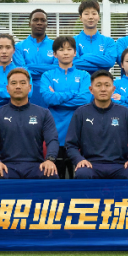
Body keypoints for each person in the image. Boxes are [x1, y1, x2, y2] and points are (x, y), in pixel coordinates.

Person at [66, 71, 128, 180]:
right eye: (98, 85)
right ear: (91, 90)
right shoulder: (81, 113)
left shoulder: (125, 113)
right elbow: (71, 145)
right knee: (82, 174)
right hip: (91, 165)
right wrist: (79, 160)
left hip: (120, 165)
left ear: (113, 89)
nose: (103, 89)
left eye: (107, 85)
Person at [0, 68, 59, 179]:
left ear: (30, 88)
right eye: (14, 83)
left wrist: (50, 160)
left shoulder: (44, 113)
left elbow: (52, 139)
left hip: (36, 165)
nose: (18, 86)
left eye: (23, 83)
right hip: (6, 166)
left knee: (51, 174)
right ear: (7, 88)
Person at [40, 35, 92, 177]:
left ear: (75, 53)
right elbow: (48, 98)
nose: (66, 53)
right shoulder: (47, 76)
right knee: (57, 179)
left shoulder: (84, 75)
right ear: (55, 54)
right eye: (61, 50)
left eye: (69, 49)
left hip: (80, 136)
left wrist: (57, 97)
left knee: (80, 179)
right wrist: (74, 93)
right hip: (55, 135)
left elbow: (85, 99)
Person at [16, 8, 56, 104]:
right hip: (27, 93)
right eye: (35, 20)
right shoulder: (19, 46)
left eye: (43, 20)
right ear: (29, 23)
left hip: (49, 91)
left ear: (47, 24)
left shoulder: (55, 45)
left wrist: (29, 66)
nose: (39, 23)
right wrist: (46, 68)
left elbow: (56, 69)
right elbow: (21, 71)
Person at [73, 0, 117, 73]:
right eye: (86, 14)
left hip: (102, 80)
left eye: (94, 13)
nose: (90, 17)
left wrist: (84, 56)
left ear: (98, 17)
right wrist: (101, 66)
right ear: (80, 18)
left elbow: (110, 62)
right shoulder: (73, 41)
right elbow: (74, 63)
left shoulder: (108, 41)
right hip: (80, 80)